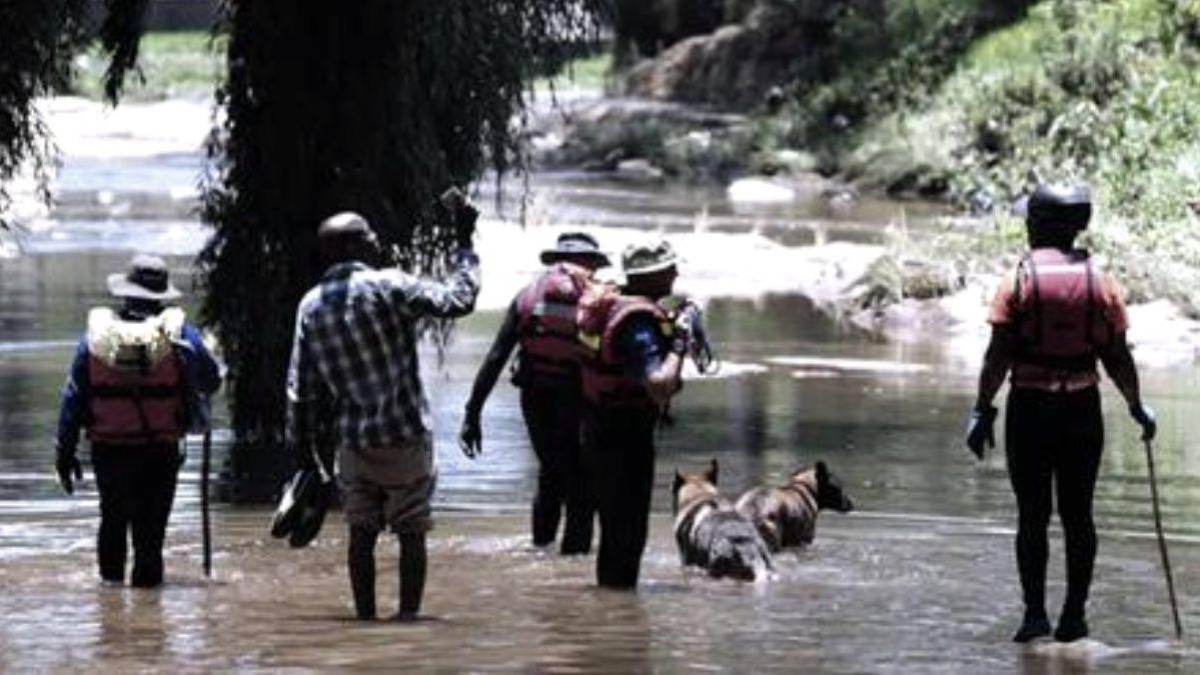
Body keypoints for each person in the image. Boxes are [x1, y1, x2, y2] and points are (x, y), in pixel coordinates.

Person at [966, 183, 1157, 643]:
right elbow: (1117, 356)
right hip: (1081, 413)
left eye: (1030, 220)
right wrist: (1136, 406)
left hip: (1030, 412)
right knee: (1079, 516)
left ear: (1038, 226)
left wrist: (982, 409)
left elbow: (998, 356)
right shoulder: (1101, 282)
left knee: (1032, 515)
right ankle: (1074, 616)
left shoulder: (1018, 281)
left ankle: (1034, 616)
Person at [286, 208, 480, 621]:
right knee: (411, 531)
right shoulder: (390, 285)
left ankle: (365, 622)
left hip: (354, 443)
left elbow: (300, 393)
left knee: (361, 532)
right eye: (369, 234)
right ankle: (408, 621)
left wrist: (307, 461)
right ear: (352, 245)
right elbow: (459, 300)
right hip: (406, 435)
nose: (377, 239)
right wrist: (464, 244)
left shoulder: (310, 306)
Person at [55, 254, 222, 588]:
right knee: (150, 536)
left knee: (112, 522)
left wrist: (64, 451)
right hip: (160, 449)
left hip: (109, 448)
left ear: (126, 294)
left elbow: (74, 397)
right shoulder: (181, 336)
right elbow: (212, 380)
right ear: (162, 297)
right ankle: (150, 614)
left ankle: (110, 602)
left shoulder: (97, 338)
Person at [459, 232, 609, 554]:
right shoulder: (598, 299)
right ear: (591, 263)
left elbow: (496, 358)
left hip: (536, 400)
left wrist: (472, 414)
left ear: (556, 261)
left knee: (550, 474)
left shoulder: (527, 296)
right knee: (581, 488)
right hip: (578, 401)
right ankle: (572, 570)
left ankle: (541, 553)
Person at [577, 240, 694, 588]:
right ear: (651, 275)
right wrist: (679, 342)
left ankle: (609, 611)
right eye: (669, 268)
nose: (675, 273)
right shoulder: (639, 322)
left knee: (614, 530)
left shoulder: (613, 306)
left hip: (597, 427)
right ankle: (619, 618)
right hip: (624, 438)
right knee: (627, 532)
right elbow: (660, 384)